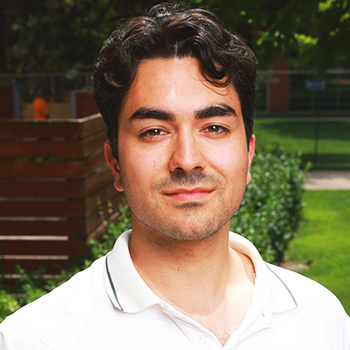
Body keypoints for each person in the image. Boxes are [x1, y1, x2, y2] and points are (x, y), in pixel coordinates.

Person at [1, 3, 349, 349]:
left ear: (249, 154)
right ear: (115, 162)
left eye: (213, 127)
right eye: (154, 131)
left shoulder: (322, 320)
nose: (187, 159)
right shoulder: (36, 339)